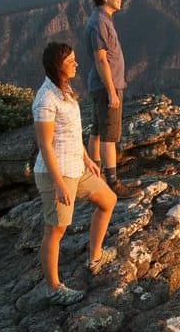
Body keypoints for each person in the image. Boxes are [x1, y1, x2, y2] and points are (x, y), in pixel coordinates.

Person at [32, 42, 117, 306]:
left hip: (76, 168)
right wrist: (58, 183)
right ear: (59, 66)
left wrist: (85, 158)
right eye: (71, 61)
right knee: (56, 230)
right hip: (56, 174)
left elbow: (70, 131)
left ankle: (95, 258)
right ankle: (54, 288)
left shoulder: (65, 90)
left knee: (108, 201)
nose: (77, 64)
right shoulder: (45, 99)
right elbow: (45, 144)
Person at [84, 0, 135, 197]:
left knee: (96, 130)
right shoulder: (100, 23)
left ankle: (94, 175)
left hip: (102, 85)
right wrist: (112, 91)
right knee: (109, 135)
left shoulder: (103, 20)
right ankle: (112, 183)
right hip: (106, 87)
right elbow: (101, 60)